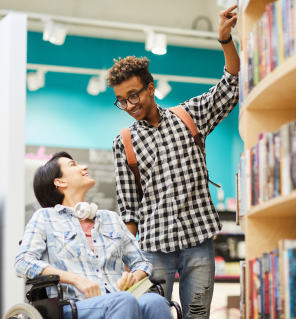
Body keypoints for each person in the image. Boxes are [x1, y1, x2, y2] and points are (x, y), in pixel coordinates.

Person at [108, 5, 240, 319]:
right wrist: (128, 259)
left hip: (198, 240)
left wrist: (224, 40)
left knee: (197, 315)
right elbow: (129, 207)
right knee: (154, 314)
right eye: (121, 100)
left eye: (133, 96)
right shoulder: (123, 142)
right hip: (154, 247)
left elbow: (231, 84)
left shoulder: (189, 115)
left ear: (150, 88)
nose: (128, 105)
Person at [15, 152, 173, 319]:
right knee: (124, 300)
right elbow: (23, 262)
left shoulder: (111, 218)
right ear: (59, 182)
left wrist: (132, 277)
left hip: (119, 297)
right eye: (73, 165)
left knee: (155, 301)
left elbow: (142, 263)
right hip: (71, 305)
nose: (84, 167)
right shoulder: (45, 217)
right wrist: (75, 279)